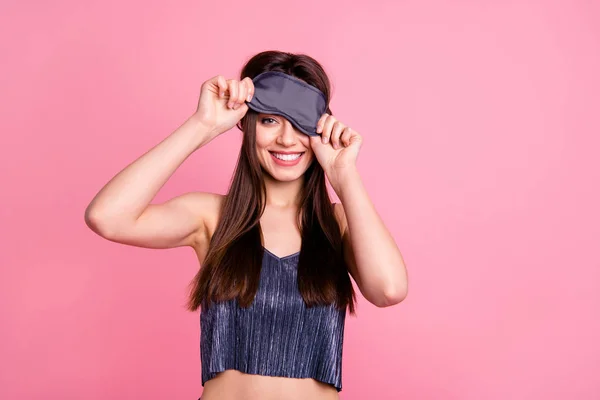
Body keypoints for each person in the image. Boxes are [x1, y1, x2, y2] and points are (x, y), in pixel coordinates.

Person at [84, 50, 408, 400]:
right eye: (270, 120)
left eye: (300, 122)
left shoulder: (339, 223)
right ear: (247, 123)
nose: (286, 139)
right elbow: (107, 217)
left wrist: (345, 177)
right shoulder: (211, 218)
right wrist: (201, 125)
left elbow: (388, 290)